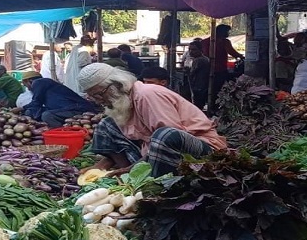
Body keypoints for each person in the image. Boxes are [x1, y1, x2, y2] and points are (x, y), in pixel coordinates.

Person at [78, 63, 226, 177]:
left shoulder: (147, 95)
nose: (97, 101)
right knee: (107, 125)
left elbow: (171, 139)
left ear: (116, 85)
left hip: (200, 151)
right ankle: (123, 172)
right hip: (153, 152)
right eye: (92, 97)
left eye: (99, 94)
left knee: (164, 135)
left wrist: (131, 169)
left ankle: (139, 176)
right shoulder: (127, 100)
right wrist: (100, 166)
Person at [18, 71, 97, 128]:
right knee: (33, 112)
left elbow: (36, 102)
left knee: (47, 115)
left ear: (29, 81)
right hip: (67, 109)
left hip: (77, 108)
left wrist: (20, 108)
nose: (28, 88)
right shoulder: (44, 83)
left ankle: (62, 133)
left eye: (26, 85)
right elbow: (36, 104)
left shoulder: (38, 82)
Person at [201, 24, 244, 105]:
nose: (228, 34)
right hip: (220, 69)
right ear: (222, 32)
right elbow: (232, 52)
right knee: (219, 89)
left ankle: (209, 104)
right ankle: (216, 105)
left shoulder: (204, 41)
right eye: (227, 31)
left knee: (209, 89)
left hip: (206, 70)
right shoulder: (225, 42)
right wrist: (241, 56)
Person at [187, 41, 211, 110]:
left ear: (200, 50)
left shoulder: (199, 60)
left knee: (197, 106)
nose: (191, 52)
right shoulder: (205, 58)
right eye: (190, 49)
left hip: (199, 86)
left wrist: (187, 71)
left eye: (194, 50)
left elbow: (191, 73)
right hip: (201, 86)